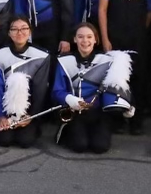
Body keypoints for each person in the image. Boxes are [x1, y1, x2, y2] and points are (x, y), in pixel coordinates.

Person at [97, 0, 151, 134]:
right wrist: (105, 39)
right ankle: (118, 117)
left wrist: (141, 31)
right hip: (115, 36)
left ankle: (137, 118)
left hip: (138, 37)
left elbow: (149, 10)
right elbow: (102, 10)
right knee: (117, 77)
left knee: (139, 76)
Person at [52, 22, 134, 154]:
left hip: (99, 113)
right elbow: (56, 91)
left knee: (100, 147)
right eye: (80, 37)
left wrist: (126, 105)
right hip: (74, 112)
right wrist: (69, 99)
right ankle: (68, 131)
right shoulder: (64, 61)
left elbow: (118, 86)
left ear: (96, 39)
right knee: (80, 146)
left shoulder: (107, 60)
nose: (85, 41)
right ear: (74, 39)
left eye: (89, 37)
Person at [0, 16, 51, 148]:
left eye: (24, 29)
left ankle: (34, 127)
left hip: (28, 111)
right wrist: (0, 116)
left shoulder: (42, 55)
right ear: (9, 33)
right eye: (15, 29)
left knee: (25, 141)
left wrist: (31, 116)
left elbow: (40, 89)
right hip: (6, 110)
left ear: (30, 32)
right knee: (4, 140)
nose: (19, 32)